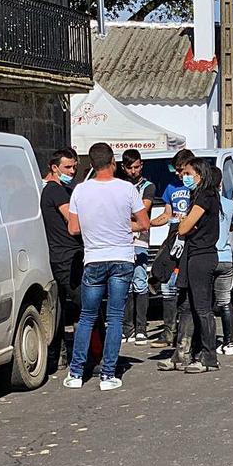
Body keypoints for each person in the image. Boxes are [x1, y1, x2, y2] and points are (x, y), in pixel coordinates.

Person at [63, 143, 149, 391]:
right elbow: (143, 223)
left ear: (91, 164)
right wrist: (123, 226)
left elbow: (73, 228)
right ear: (113, 162)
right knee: (114, 317)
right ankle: (108, 374)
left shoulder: (80, 190)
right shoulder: (127, 189)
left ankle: (76, 373)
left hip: (94, 258)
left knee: (87, 316)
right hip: (122, 257)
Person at [159, 156, 221, 373]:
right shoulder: (197, 195)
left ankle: (208, 357)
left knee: (202, 308)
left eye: (187, 174)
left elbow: (184, 227)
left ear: (200, 175)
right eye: (182, 173)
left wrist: (184, 223)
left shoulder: (206, 195)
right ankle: (181, 354)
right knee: (185, 305)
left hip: (202, 256)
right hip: (191, 254)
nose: (183, 177)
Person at [40, 148, 81, 370]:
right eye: (68, 167)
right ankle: (83, 358)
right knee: (86, 306)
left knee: (61, 309)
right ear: (54, 168)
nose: (72, 171)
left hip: (60, 256)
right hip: (66, 256)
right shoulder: (56, 191)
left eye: (74, 166)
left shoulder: (55, 189)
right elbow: (72, 222)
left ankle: (59, 355)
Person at [149, 149, 195, 348]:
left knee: (185, 285)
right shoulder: (170, 188)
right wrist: (148, 223)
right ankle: (169, 331)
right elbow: (167, 214)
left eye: (181, 170)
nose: (178, 174)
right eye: (176, 170)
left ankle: (186, 331)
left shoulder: (196, 187)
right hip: (174, 235)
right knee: (166, 282)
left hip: (191, 236)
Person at [119, 149, 155, 346]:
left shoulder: (148, 186)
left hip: (140, 240)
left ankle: (141, 328)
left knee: (140, 282)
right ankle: (127, 328)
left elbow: (143, 210)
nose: (134, 171)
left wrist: (125, 214)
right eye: (131, 167)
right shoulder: (120, 185)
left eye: (138, 166)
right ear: (124, 168)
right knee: (124, 285)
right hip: (122, 241)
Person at [211, 166, 233, 356]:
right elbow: (232, 225)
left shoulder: (202, 204)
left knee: (204, 303)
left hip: (209, 257)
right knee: (225, 301)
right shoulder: (230, 204)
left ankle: (207, 341)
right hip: (226, 257)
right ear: (220, 183)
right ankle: (229, 343)